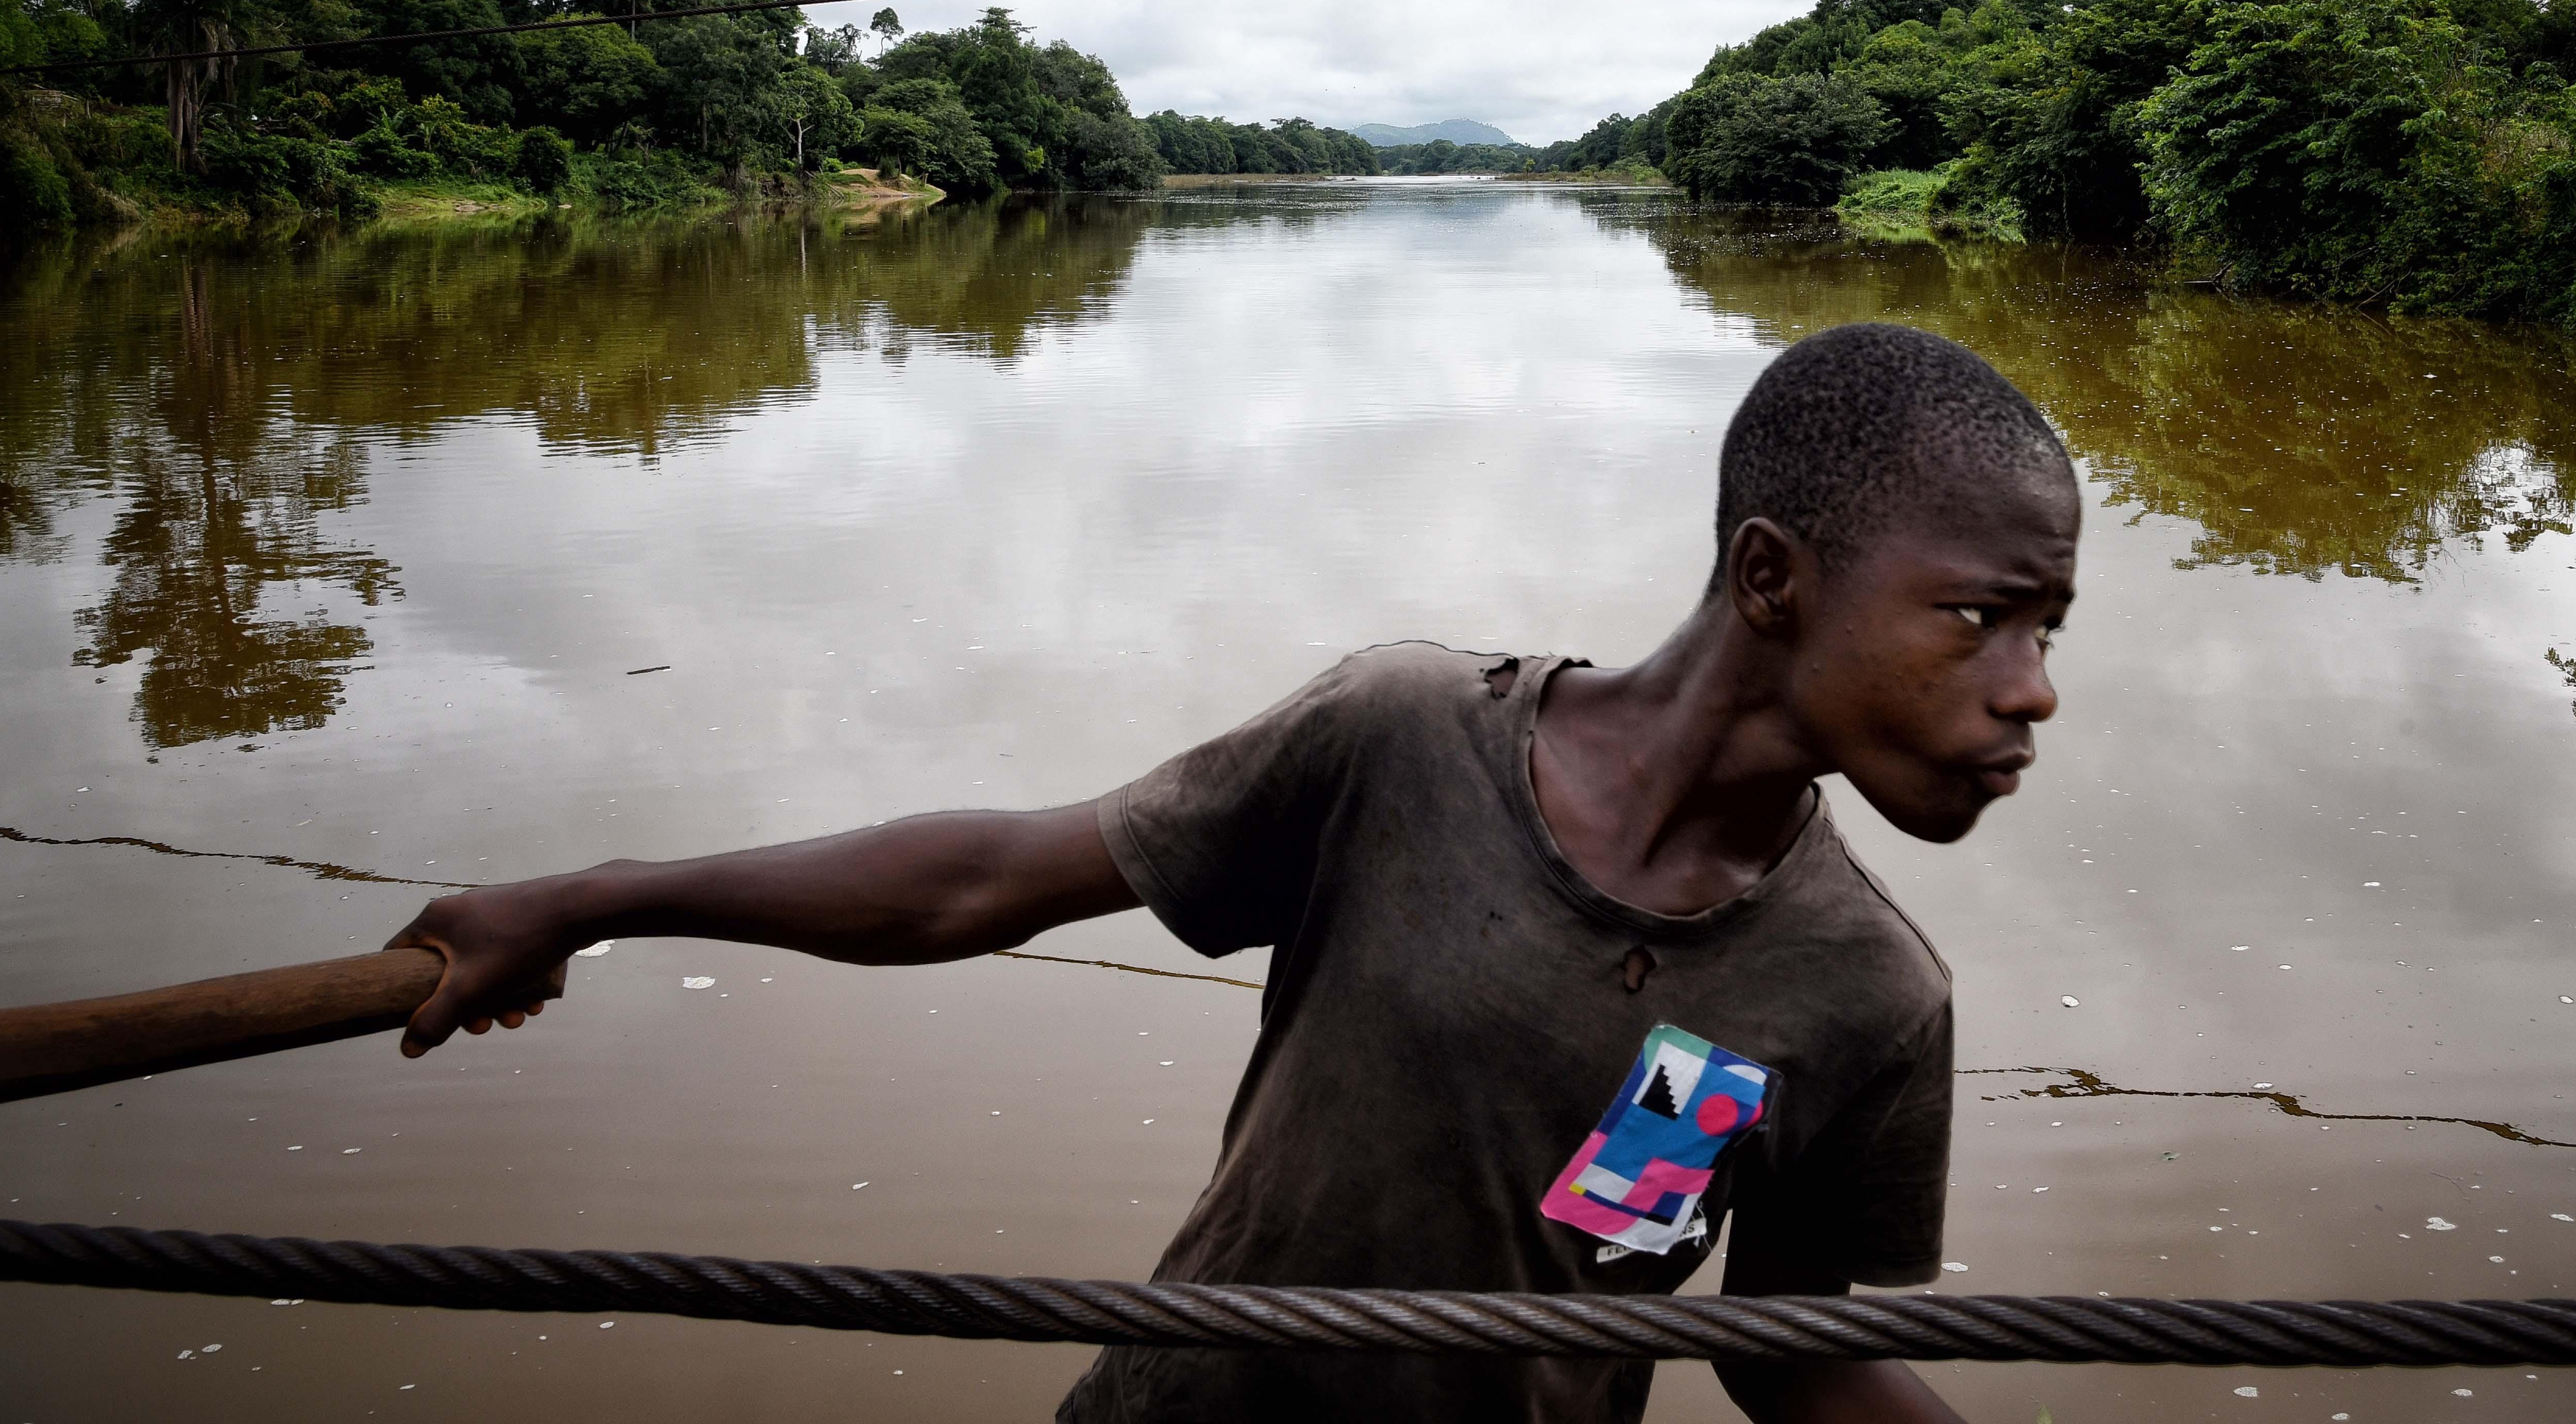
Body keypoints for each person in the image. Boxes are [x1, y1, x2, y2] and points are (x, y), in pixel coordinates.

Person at [393, 321, 2080, 1423]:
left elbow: (1800, 1364)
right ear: (1773, 577)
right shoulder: (1407, 744)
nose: (2031, 688)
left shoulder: (1863, 991)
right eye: (1979, 613)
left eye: (2048, 627)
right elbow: (981, 883)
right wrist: (589, 900)